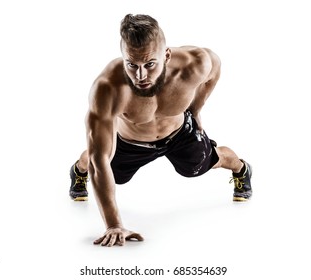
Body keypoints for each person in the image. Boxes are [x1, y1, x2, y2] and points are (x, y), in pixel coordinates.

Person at [69, 14, 252, 247]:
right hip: (129, 141)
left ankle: (242, 169)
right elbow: (100, 158)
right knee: (100, 161)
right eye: (132, 65)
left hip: (179, 133)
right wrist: (114, 224)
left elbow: (214, 68)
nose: (141, 76)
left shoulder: (194, 64)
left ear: (166, 55)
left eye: (150, 64)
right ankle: (78, 170)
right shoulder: (108, 88)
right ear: (123, 57)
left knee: (198, 168)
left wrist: (196, 109)